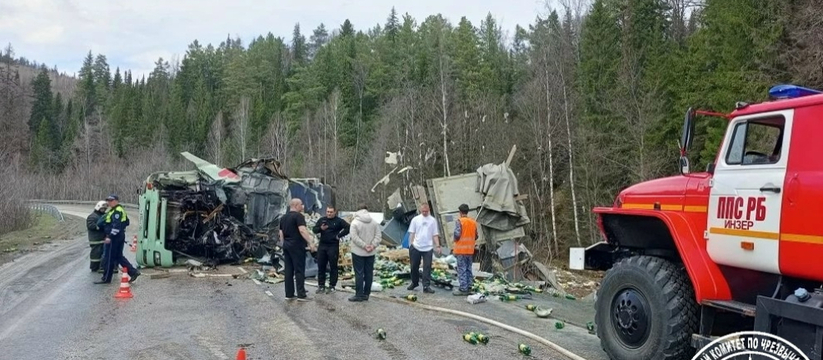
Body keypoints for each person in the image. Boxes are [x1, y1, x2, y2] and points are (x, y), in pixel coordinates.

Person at [95, 194, 141, 284]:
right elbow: (126, 222)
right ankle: (133, 272)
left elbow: (116, 226)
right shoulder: (115, 210)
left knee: (109, 257)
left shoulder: (117, 211)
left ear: (116, 201)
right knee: (118, 257)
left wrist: (110, 236)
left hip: (114, 237)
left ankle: (106, 278)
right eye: (108, 201)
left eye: (111, 200)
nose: (109, 202)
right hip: (118, 236)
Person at [279, 198, 317, 301]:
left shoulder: (283, 217)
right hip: (297, 246)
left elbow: (281, 233)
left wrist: (284, 244)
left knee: (289, 270)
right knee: (299, 270)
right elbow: (302, 230)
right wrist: (310, 243)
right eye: (301, 204)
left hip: (287, 245)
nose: (303, 206)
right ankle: (301, 294)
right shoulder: (298, 216)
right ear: (296, 205)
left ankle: (289, 294)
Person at [312, 205, 350, 294]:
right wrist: (320, 228)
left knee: (333, 266)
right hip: (322, 245)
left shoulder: (339, 221)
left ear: (335, 212)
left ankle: (332, 286)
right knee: (321, 266)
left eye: (331, 212)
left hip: (333, 246)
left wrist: (339, 236)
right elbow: (314, 229)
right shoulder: (322, 220)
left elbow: (348, 227)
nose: (329, 214)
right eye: (328, 212)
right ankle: (321, 285)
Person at [348, 204, 382, 302]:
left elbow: (354, 237)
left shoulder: (355, 223)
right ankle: (366, 294)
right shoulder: (374, 222)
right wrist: (372, 245)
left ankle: (359, 294)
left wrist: (364, 245)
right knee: (369, 273)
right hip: (371, 252)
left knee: (359, 273)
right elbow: (378, 236)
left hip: (358, 252)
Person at [407, 203, 440, 294]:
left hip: (428, 247)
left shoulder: (432, 221)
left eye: (426, 211)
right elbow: (412, 233)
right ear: (420, 210)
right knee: (414, 266)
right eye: (423, 211)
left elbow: (435, 234)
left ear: (428, 210)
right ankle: (414, 282)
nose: (424, 213)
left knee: (427, 267)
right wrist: (410, 246)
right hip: (416, 246)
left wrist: (437, 246)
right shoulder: (415, 220)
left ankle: (426, 285)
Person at [452, 204, 479, 296]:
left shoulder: (460, 221)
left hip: (461, 250)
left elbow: (457, 234)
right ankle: (470, 286)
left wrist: (455, 240)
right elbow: (476, 236)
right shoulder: (473, 222)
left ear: (460, 212)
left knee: (461, 269)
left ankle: (463, 288)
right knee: (468, 268)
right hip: (470, 250)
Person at [87, 201, 108, 272]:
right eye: (102, 209)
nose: (103, 210)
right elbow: (90, 225)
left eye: (105, 209)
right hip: (95, 239)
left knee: (101, 253)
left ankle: (100, 266)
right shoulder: (92, 216)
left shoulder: (104, 216)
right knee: (95, 254)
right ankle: (94, 267)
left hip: (102, 238)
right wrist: (99, 227)